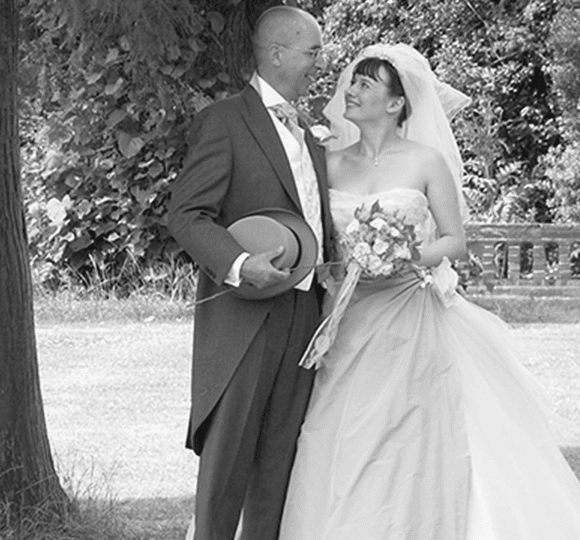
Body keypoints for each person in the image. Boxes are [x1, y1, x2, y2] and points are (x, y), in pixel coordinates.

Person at [278, 43, 580, 539]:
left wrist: (404, 257)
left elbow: (454, 241)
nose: (350, 90)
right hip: (345, 314)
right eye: (352, 82)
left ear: (395, 104)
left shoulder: (425, 161)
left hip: (406, 312)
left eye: (365, 84)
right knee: (334, 426)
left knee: (404, 427)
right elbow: (315, 230)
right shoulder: (328, 161)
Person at [167, 6, 335, 540]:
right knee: (228, 464)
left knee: (280, 464)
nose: (318, 62)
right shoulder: (224, 120)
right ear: (278, 52)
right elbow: (188, 214)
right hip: (245, 319)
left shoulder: (312, 132)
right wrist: (239, 265)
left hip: (306, 315)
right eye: (312, 52)